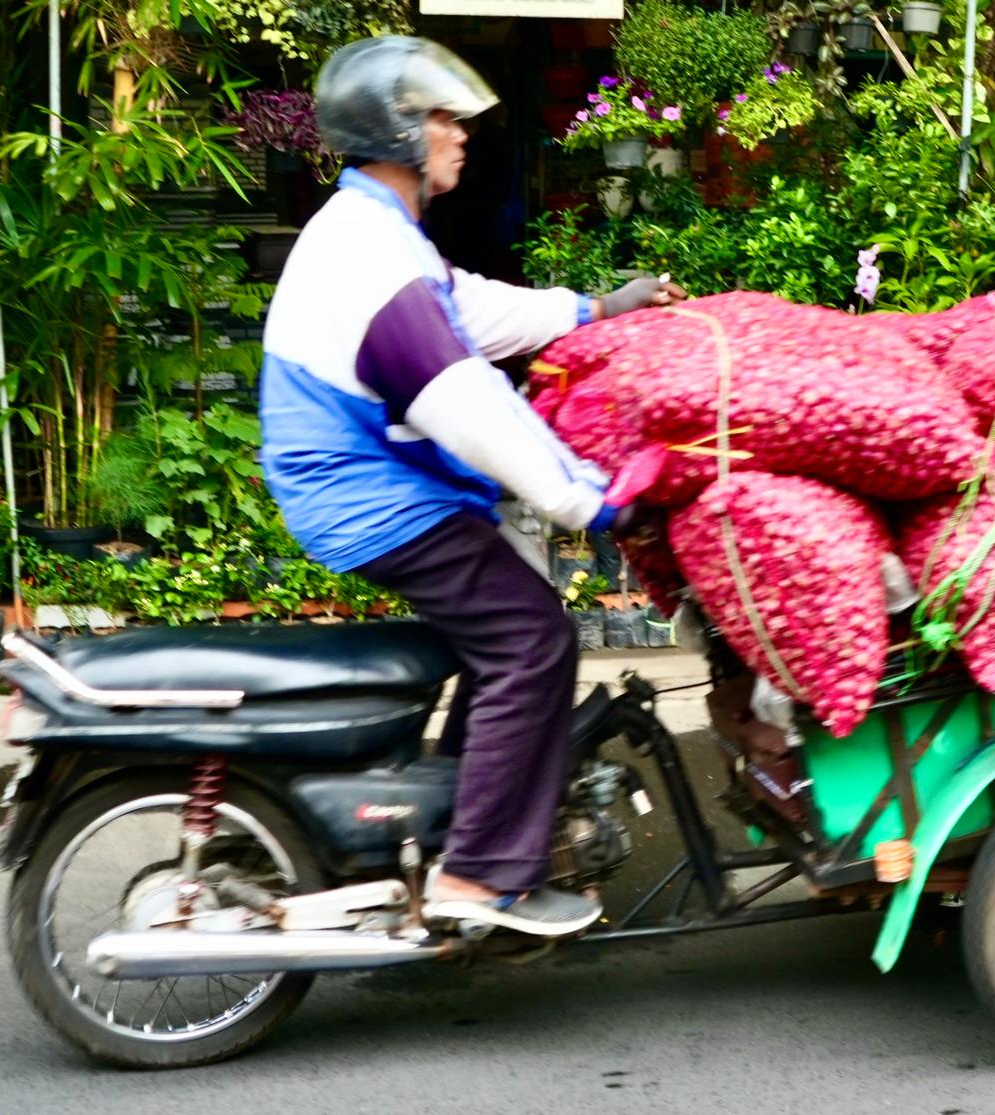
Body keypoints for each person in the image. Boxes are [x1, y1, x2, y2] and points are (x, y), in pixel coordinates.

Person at [259, 36, 683, 937]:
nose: (459, 135)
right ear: (397, 131)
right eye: (443, 118)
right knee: (533, 642)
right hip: (373, 495)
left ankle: (458, 824)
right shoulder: (373, 258)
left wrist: (592, 309)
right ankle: (480, 875)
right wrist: (591, 500)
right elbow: (469, 403)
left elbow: (472, 307)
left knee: (510, 633)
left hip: (375, 484)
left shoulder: (372, 232)